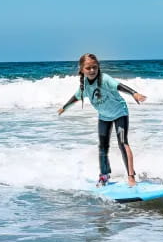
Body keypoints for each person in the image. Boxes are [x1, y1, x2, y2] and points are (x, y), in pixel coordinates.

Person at [58, 53, 147, 187]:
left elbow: (119, 86)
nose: (92, 70)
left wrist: (134, 93)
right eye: (88, 68)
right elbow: (76, 97)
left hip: (119, 113)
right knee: (103, 147)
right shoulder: (85, 86)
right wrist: (64, 107)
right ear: (82, 69)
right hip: (104, 116)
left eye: (95, 67)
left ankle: (131, 176)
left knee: (123, 143)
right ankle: (104, 176)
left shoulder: (105, 79)